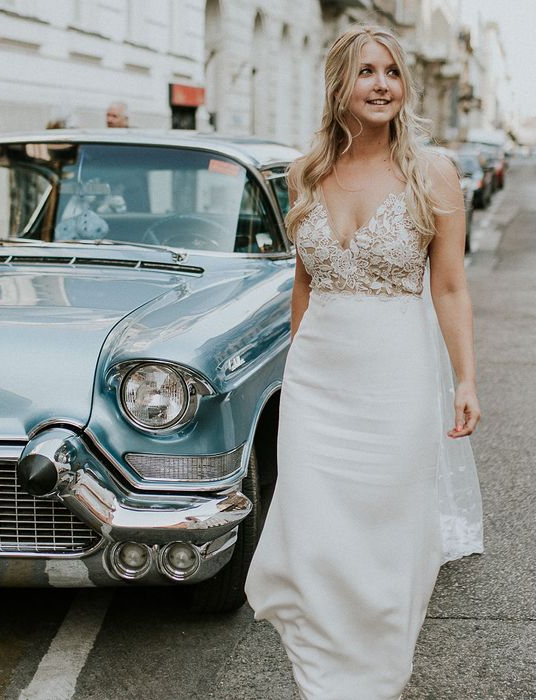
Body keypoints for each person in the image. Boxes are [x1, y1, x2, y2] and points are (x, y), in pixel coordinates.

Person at [244, 25, 484, 700]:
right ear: (339, 87)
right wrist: (296, 374)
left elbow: (450, 286)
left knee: (386, 532)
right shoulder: (306, 171)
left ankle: (378, 676)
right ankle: (324, 679)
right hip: (319, 381)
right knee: (316, 532)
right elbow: (304, 282)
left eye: (391, 73)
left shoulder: (432, 172)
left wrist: (465, 378)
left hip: (395, 378)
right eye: (366, 72)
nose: (381, 85)